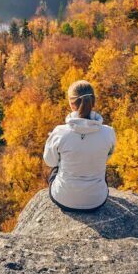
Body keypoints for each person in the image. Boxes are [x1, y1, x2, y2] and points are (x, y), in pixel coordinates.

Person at [43, 80, 116, 211]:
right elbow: (107, 157)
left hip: (63, 198)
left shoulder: (60, 132)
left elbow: (49, 161)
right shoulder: (108, 133)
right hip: (97, 200)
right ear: (93, 102)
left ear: (72, 104)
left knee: (56, 168)